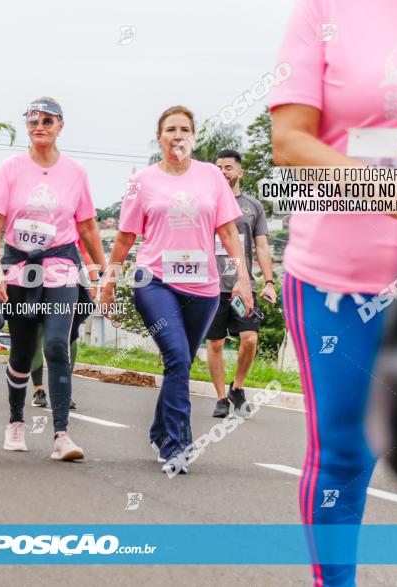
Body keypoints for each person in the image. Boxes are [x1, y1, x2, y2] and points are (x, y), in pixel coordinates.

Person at [270, 1, 397, 584]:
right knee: (344, 460)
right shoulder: (323, 10)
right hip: (339, 281)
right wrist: (393, 191)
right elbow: (289, 141)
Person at [100, 105, 252, 476]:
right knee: (178, 358)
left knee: (178, 362)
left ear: (193, 136)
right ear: (160, 137)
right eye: (171, 129)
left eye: (185, 129)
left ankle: (157, 431)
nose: (178, 135)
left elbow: (229, 232)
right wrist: (109, 278)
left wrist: (244, 278)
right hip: (154, 280)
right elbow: (125, 236)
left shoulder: (212, 177)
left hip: (204, 287)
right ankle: (177, 444)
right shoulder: (143, 181)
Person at [0, 96, 106, 460]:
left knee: (56, 345)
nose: (40, 126)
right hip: (21, 268)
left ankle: (62, 435)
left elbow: (86, 225)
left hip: (61, 267)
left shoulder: (75, 172)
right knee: (22, 353)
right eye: (34, 120)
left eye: (48, 121)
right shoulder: (11, 168)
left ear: (60, 127)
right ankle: (16, 422)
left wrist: (100, 270)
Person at [205, 149, 276, 418]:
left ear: (239, 172)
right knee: (215, 344)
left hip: (243, 287)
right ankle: (222, 397)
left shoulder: (252, 206)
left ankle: (238, 387)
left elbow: (261, 245)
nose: (223, 172)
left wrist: (268, 282)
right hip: (212, 286)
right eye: (219, 167)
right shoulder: (206, 203)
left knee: (249, 339)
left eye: (228, 167)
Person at [29, 239, 96, 410]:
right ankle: (38, 390)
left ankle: (64, 391)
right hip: (33, 272)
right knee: (35, 334)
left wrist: (94, 280)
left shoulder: (72, 214)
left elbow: (86, 247)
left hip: (66, 275)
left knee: (68, 334)